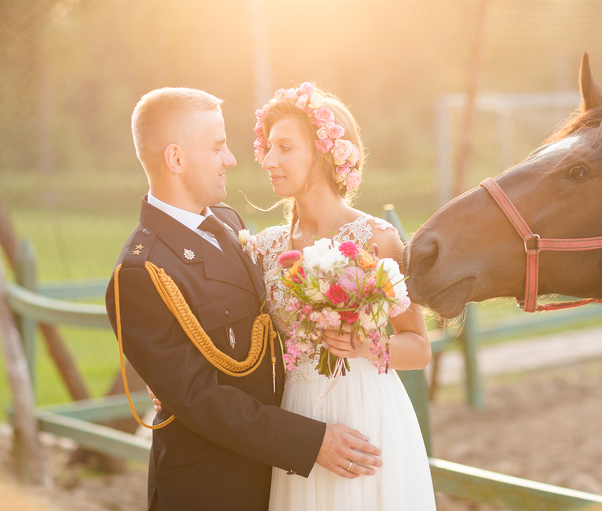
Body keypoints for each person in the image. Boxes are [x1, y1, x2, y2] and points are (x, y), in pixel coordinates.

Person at [105, 87, 382, 511]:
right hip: (213, 488)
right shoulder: (141, 272)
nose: (231, 159)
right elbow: (200, 398)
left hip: (277, 476)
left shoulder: (227, 222)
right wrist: (311, 442)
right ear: (176, 159)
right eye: (217, 147)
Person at [253, 83, 436, 510]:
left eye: (284, 147)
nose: (268, 160)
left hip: (368, 414)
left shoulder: (378, 240)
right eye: (268, 147)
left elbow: (419, 348)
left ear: (323, 153)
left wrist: (366, 346)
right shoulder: (265, 248)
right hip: (298, 420)